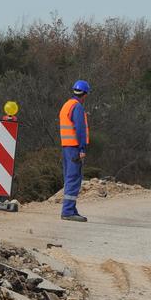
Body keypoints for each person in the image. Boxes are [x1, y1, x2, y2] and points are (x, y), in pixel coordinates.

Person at [58, 80, 91, 222]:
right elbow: (80, 129)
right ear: (85, 94)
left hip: (66, 147)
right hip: (75, 148)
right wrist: (82, 148)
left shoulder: (67, 105)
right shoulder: (77, 107)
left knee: (69, 178)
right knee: (74, 178)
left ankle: (71, 208)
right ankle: (68, 211)